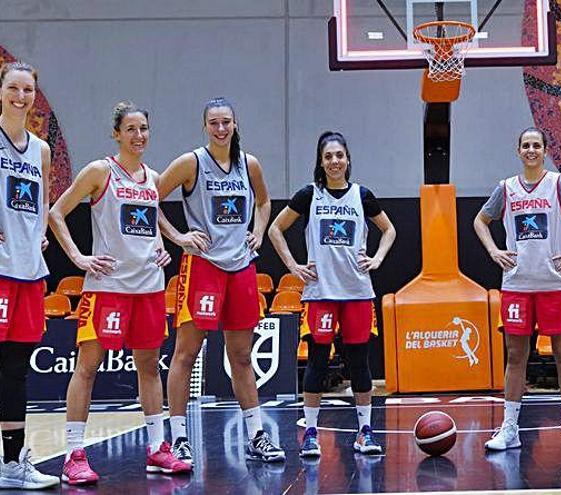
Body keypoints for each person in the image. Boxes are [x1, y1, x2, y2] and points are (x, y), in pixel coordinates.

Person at [49, 102, 190, 484]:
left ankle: (158, 448)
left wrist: (164, 244)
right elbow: (57, 213)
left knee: (148, 368)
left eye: (143, 128)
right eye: (130, 129)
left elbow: (150, 220)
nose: (138, 135)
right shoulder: (100, 171)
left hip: (148, 287)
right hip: (107, 288)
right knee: (88, 367)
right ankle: (73, 455)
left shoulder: (153, 179)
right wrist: (79, 257)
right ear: (116, 133)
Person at [158, 97, 284, 463]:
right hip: (203, 268)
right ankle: (179, 437)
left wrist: (258, 232)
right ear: (205, 126)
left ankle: (257, 434)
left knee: (242, 356)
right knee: (186, 354)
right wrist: (179, 237)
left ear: (235, 124)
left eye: (226, 122)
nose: (221, 128)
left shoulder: (250, 164)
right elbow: (149, 199)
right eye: (214, 122)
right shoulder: (191, 162)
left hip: (241, 267)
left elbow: (263, 202)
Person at [474, 127, 561, 452]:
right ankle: (509, 429)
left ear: (545, 150)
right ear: (518, 151)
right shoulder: (505, 189)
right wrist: (493, 252)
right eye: (526, 145)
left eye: (536, 145)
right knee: (516, 356)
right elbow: (480, 221)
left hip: (556, 285)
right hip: (517, 285)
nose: (531, 150)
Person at [268, 131, 396, 458]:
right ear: (321, 162)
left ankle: (365, 432)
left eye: (339, 155)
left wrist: (378, 258)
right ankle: (309, 433)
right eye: (328, 156)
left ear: (348, 159)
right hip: (321, 291)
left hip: (356, 292)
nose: (334, 161)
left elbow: (389, 229)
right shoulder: (310, 195)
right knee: (317, 363)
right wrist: (293, 266)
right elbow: (274, 229)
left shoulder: (362, 195)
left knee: (359, 365)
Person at [0, 61, 59, 490]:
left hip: (28, 271)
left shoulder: (40, 149)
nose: (21, 96)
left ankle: (11, 461)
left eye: (27, 90)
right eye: (13, 88)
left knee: (16, 368)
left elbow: (40, 204)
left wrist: (38, 234)